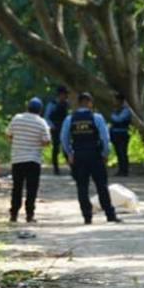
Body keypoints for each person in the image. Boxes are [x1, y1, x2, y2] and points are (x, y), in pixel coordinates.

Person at [60, 92, 120, 225]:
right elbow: (105, 138)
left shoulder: (70, 119)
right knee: (102, 186)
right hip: (95, 155)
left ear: (78, 103)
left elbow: (63, 139)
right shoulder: (96, 117)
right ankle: (110, 215)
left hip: (79, 156)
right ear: (90, 103)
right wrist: (105, 154)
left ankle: (87, 216)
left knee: (82, 187)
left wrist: (70, 153)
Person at [5, 97, 51, 223]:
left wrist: (16, 142)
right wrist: (38, 143)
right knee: (31, 188)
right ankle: (29, 215)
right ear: (40, 110)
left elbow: (8, 135)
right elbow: (47, 141)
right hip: (33, 160)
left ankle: (13, 214)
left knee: (17, 187)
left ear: (27, 107)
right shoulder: (41, 122)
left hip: (17, 159)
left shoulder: (17, 118)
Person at [43, 86, 70, 175]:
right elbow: (46, 117)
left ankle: (72, 167)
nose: (66, 96)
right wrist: (51, 126)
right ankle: (56, 168)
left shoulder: (66, 103)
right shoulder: (52, 104)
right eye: (65, 94)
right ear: (60, 94)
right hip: (55, 128)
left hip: (64, 127)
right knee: (56, 149)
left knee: (67, 147)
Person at [109, 93, 133, 177]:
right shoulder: (116, 110)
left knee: (123, 152)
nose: (114, 102)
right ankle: (120, 170)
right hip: (115, 134)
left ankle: (124, 170)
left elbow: (118, 119)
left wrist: (112, 115)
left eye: (116, 100)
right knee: (118, 153)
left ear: (120, 101)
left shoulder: (126, 110)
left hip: (122, 134)